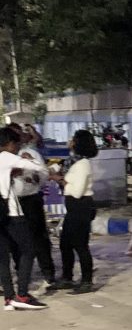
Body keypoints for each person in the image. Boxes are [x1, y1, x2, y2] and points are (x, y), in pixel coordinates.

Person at [0, 126, 50, 310]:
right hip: (11, 212)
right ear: (11, 143)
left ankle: (9, 297)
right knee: (28, 250)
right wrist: (27, 161)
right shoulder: (6, 157)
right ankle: (22, 294)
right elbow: (36, 167)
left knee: (2, 257)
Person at [51, 130, 99, 294]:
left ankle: (86, 281)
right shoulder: (73, 161)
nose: (70, 141)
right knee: (65, 243)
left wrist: (60, 180)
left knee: (80, 244)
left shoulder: (82, 164)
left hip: (81, 206)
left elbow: (77, 191)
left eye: (73, 139)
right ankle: (67, 277)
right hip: (73, 207)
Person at [10, 126, 55, 291]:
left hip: (31, 200)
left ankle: (48, 274)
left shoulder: (31, 154)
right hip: (11, 201)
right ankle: (21, 274)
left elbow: (43, 175)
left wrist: (34, 177)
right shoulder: (5, 157)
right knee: (15, 240)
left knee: (39, 238)